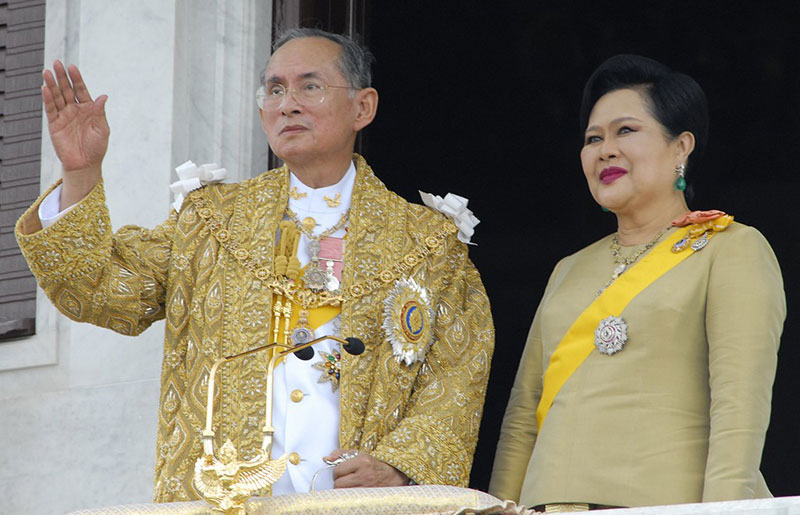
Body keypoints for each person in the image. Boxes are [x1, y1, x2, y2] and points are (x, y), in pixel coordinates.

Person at [16, 28, 494, 502]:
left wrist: (400, 466)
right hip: (227, 502)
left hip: (359, 504)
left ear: (362, 107)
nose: (288, 104)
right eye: (275, 89)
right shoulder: (209, 221)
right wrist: (80, 172)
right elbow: (98, 289)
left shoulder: (427, 243)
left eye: (310, 86)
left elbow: (457, 373)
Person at [488, 54, 785, 510]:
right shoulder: (569, 268)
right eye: (593, 138)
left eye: (626, 130)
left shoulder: (732, 249)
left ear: (681, 146)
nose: (605, 149)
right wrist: (500, 505)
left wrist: (725, 510)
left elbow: (738, 413)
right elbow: (523, 418)